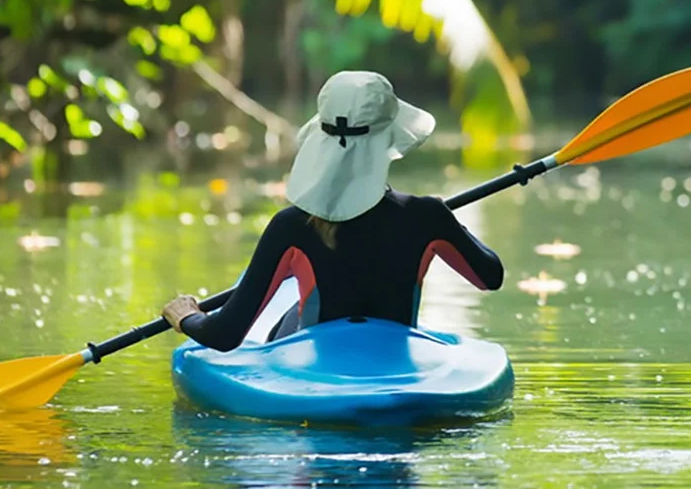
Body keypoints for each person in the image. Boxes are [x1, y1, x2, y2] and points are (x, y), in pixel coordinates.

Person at [161, 70, 504, 351]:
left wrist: (186, 315)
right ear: (390, 138)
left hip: (315, 378)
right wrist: (447, 222)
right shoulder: (428, 215)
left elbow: (224, 336)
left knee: (289, 320)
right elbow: (491, 275)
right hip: (393, 365)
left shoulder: (292, 227)